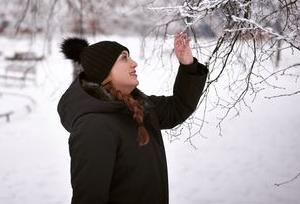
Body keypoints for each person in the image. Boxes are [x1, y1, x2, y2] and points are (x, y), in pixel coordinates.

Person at [57, 33, 208, 204]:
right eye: (124, 58)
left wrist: (187, 64)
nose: (134, 63)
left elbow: (178, 108)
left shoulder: (138, 106)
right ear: (104, 71)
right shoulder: (94, 127)